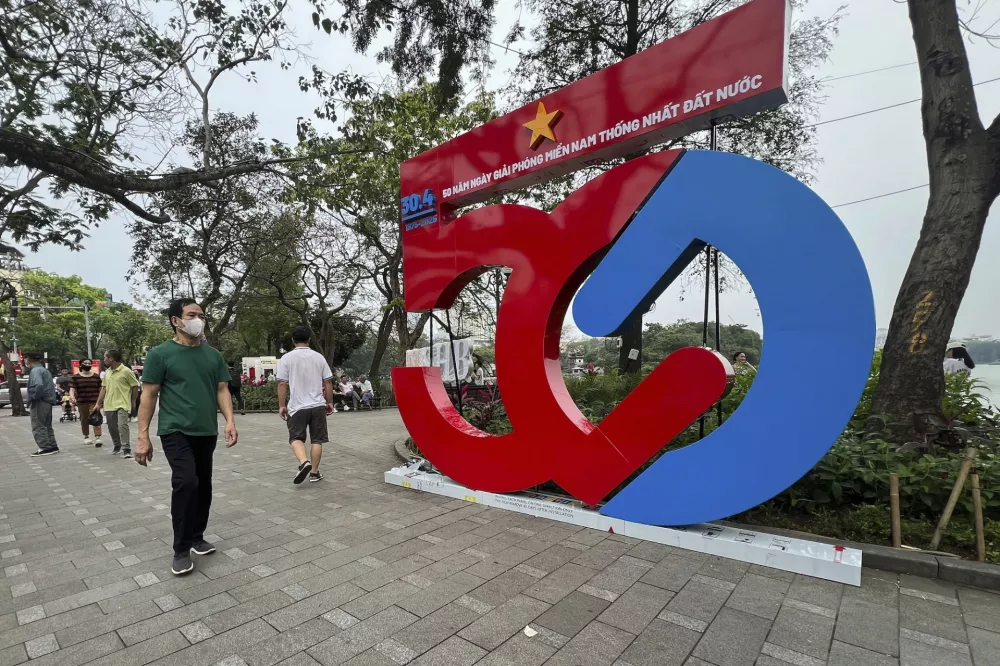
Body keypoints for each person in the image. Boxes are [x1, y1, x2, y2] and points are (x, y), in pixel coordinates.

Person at [137, 298, 237, 576]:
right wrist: (143, 436)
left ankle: (197, 536)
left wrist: (229, 421)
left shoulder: (213, 355)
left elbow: (222, 390)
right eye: (192, 315)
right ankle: (180, 549)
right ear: (176, 321)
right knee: (186, 482)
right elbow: (149, 395)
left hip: (206, 430)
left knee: (203, 484)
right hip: (174, 429)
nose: (199, 319)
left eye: (202, 315)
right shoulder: (159, 354)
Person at [277, 326, 334, 484]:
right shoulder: (319, 358)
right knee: (317, 440)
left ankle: (304, 462)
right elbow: (328, 381)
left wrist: (282, 405)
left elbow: (282, 384)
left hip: (297, 407)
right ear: (309, 339)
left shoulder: (286, 358)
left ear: (293, 340)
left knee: (296, 438)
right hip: (317, 406)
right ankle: (314, 473)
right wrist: (329, 402)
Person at [96, 350, 140, 458]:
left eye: (105, 357)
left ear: (111, 358)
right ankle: (117, 445)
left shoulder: (126, 371)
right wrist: (98, 403)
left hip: (123, 403)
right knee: (112, 427)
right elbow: (103, 389)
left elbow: (135, 386)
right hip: (109, 404)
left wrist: (133, 400)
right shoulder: (107, 372)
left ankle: (126, 449)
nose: (104, 360)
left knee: (122, 426)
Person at [23, 352, 60, 456]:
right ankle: (52, 445)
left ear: (28, 359)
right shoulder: (44, 370)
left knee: (38, 425)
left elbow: (38, 385)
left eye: (24, 359)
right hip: (47, 400)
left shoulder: (35, 371)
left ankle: (45, 447)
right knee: (47, 425)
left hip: (40, 401)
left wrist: (34, 397)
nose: (24, 361)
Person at [70, 360, 104, 446]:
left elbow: (101, 389)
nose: (88, 365)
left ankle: (97, 437)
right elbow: (72, 389)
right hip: (82, 401)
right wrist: (72, 397)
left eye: (89, 363)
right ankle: (86, 436)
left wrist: (101, 400)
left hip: (94, 401)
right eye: (86, 363)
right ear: (81, 365)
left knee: (96, 418)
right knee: (84, 419)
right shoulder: (76, 377)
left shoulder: (96, 377)